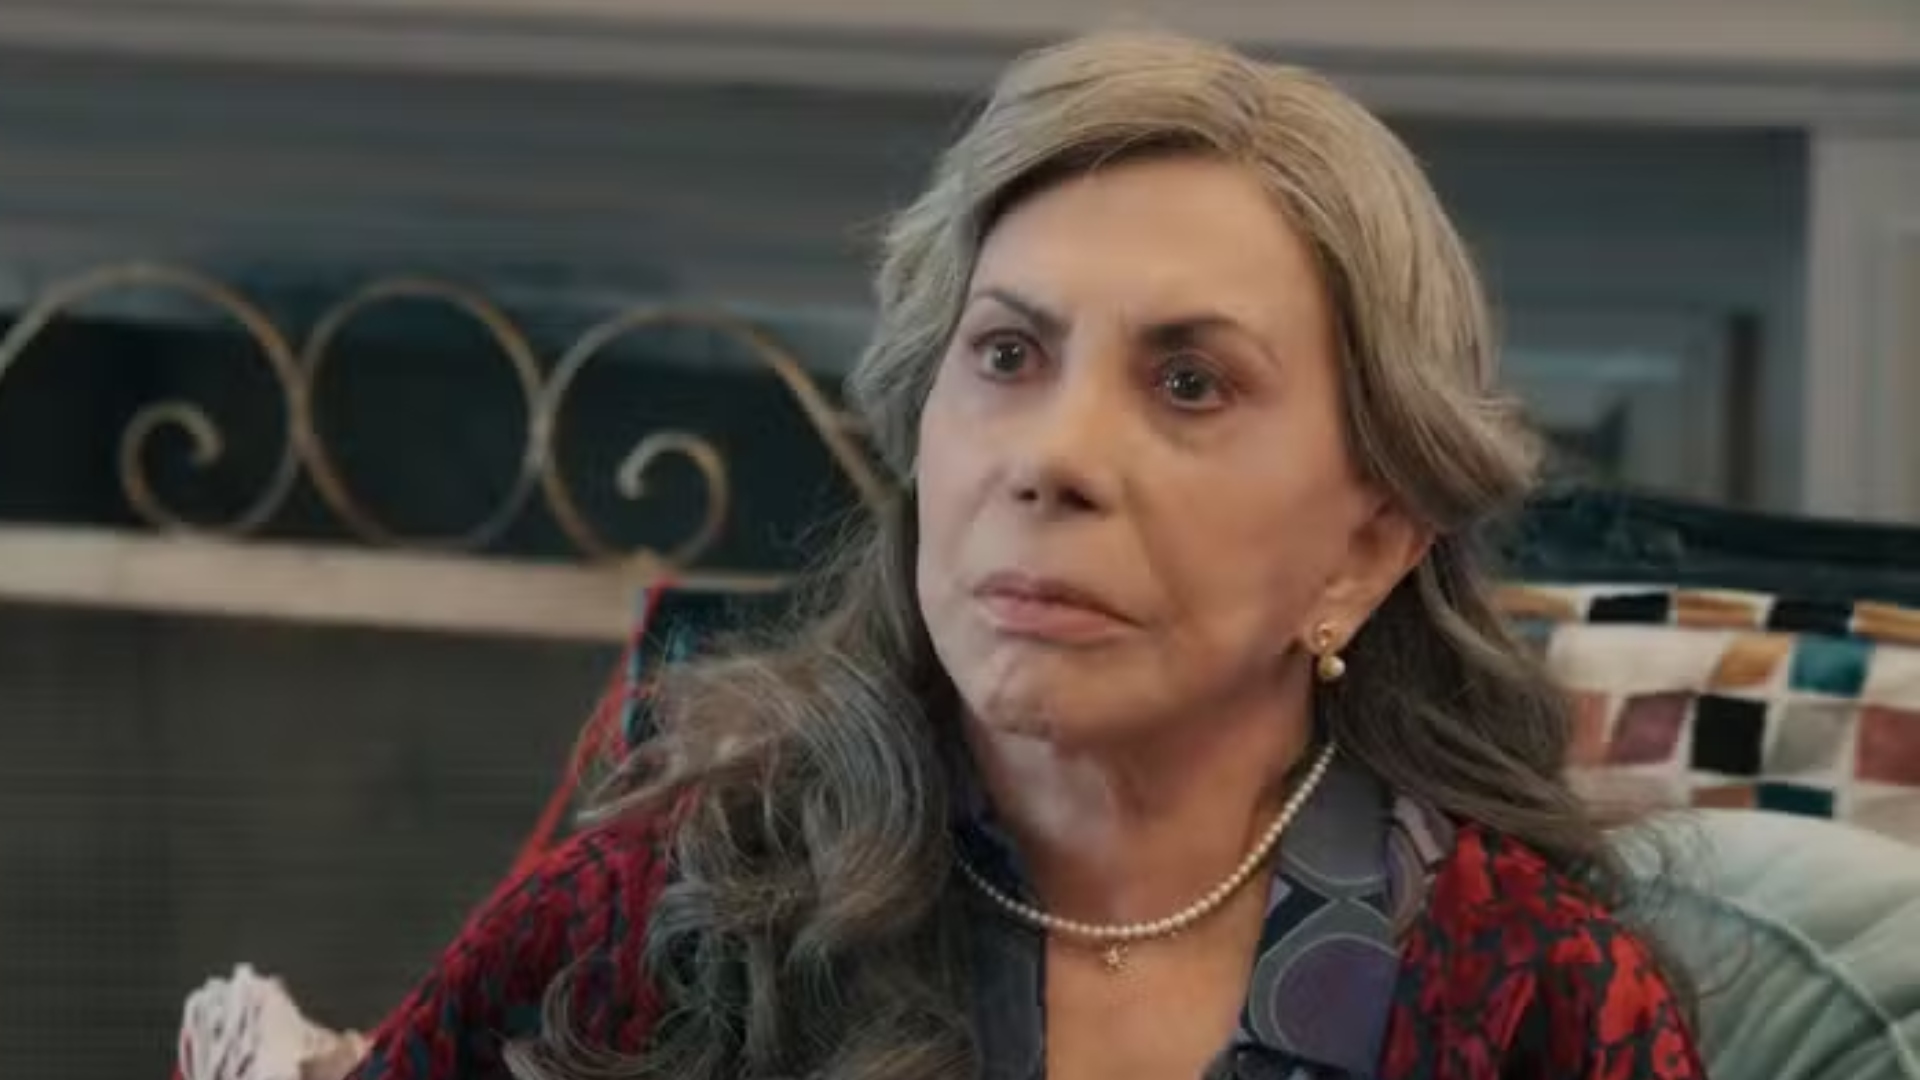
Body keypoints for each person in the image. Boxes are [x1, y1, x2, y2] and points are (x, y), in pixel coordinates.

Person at [344, 29, 1704, 1080]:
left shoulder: (1539, 1003)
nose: (1054, 457)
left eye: (1190, 384)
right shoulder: (657, 921)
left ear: (1367, 544)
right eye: (1006, 353)